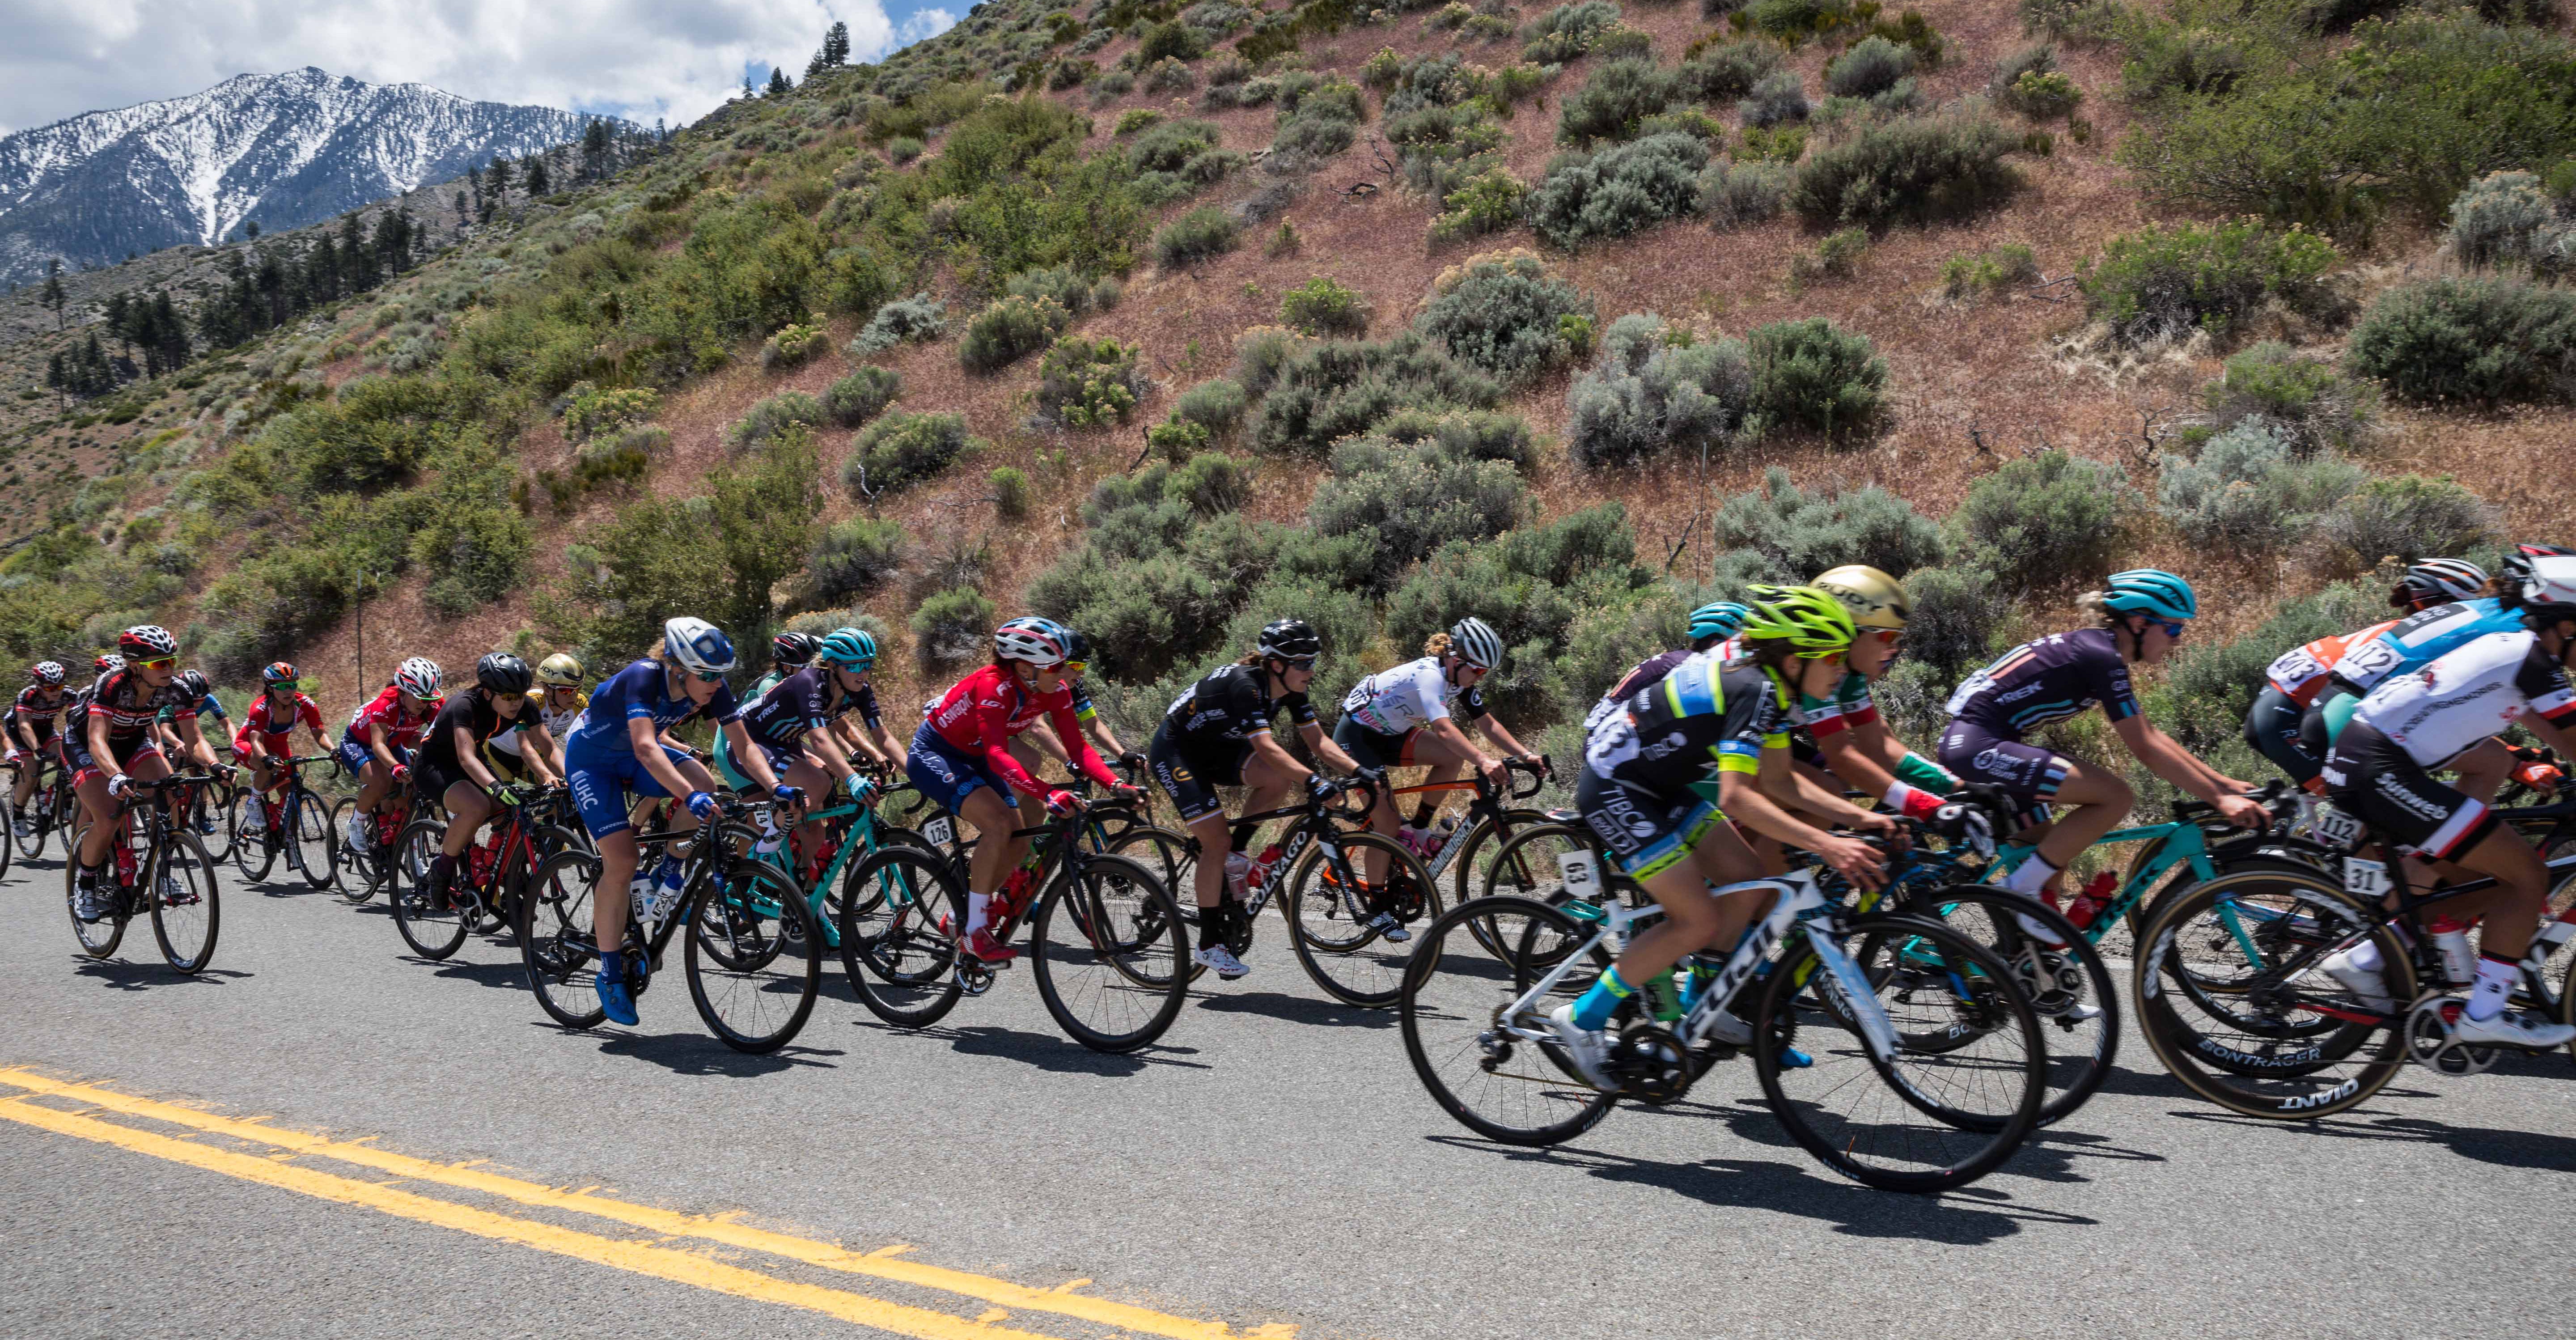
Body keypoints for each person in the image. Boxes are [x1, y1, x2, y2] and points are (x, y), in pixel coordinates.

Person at [1545, 587, 1900, 1082]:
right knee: (1697, 919)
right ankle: (1583, 1017)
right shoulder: (1753, 689)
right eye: (1834, 659)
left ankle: (1702, 1003)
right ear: (1797, 659)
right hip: (1615, 786)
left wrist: (1862, 819)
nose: (1842, 670)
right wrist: (1828, 842)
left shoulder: (1775, 691)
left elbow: (1780, 781)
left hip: (1661, 785)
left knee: (1750, 879)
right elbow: (1737, 797)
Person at [2316, 554, 2576, 1049]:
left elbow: (2563, 739)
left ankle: (2370, 955)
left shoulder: (2522, 655)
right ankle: (2483, 1013)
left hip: (2378, 761)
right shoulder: (2533, 662)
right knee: (2527, 875)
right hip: (2378, 767)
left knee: (2491, 882)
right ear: (2565, 626)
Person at [1937, 570, 2267, 906]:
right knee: (2115, 797)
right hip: (1978, 746)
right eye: (2174, 628)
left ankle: (2021, 948)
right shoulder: (2100, 656)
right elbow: (2145, 748)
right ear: (2140, 623)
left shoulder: (2100, 651)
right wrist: (2219, 800)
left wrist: (2221, 784)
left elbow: (2151, 734)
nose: (2178, 639)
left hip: (1982, 742)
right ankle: (2015, 891)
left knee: (2047, 862)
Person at [561, 617, 797, 1026]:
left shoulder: (711, 687)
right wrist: (689, 797)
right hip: (592, 761)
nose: (715, 684)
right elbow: (647, 747)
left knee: (704, 780)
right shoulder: (643, 676)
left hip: (633, 758)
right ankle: (610, 972)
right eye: (706, 675)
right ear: (677, 668)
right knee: (622, 861)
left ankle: (671, 867)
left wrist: (776, 786)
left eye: (720, 675)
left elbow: (742, 744)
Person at [907, 617, 1135, 965]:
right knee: (999, 824)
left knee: (1021, 838)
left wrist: (1116, 784)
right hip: (936, 753)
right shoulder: (993, 686)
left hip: (976, 754)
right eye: (1056, 667)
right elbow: (999, 755)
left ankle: (962, 917)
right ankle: (975, 932)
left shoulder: (1054, 690)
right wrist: (1047, 793)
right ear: (1026, 668)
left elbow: (1080, 750)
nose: (1063, 674)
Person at [1147, 619, 1364, 980]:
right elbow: (1265, 746)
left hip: (1219, 748)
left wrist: (1363, 773)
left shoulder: (1292, 688)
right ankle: (1209, 943)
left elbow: (1319, 742)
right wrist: (1314, 782)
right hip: (1177, 751)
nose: (1311, 670)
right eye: (1304, 663)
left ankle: (1237, 851)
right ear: (1276, 664)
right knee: (1215, 841)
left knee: (1276, 781)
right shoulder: (1246, 685)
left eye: (1314, 661)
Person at [2296, 549, 2560, 802]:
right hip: (2356, 711)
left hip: (2337, 703)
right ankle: (2458, 846)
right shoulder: (2517, 627)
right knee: (2492, 764)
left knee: (2383, 831)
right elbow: (2529, 698)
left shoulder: (2487, 610)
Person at [2244, 558, 2487, 791]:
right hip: (2289, 719)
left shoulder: (2400, 632)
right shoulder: (2421, 644)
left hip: (2284, 710)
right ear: (2442, 607)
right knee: (2372, 803)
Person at [1337, 617, 1547, 882]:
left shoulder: (1459, 678)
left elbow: (1487, 724)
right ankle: (1378, 910)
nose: (1479, 678)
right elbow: (1444, 730)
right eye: (1478, 671)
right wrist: (1483, 760)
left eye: (1485, 673)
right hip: (1356, 738)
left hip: (1390, 735)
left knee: (1450, 757)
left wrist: (1525, 755)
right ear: (1456, 659)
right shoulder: (1430, 676)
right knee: (1387, 826)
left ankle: (1420, 830)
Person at [67, 627, 231, 920]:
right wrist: (116, 776)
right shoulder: (112, 684)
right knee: (108, 816)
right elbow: (96, 741)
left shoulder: (177, 689)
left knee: (170, 790)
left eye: (172, 661)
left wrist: (215, 766)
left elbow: (194, 740)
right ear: (134, 666)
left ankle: (162, 869)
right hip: (86, 745)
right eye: (159, 663)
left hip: (132, 741)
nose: (169, 668)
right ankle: (86, 884)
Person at [1793, 566, 1965, 818]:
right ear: (1848, 633)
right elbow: (1841, 755)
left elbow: (1880, 745)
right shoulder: (1813, 668)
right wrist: (1924, 805)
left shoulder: (1850, 676)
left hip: (1771, 742)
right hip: (1727, 752)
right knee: (1827, 795)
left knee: (1836, 789)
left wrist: (1955, 786)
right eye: (1887, 636)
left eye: (1898, 638)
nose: (1894, 649)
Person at [724, 628, 887, 863]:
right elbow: (818, 740)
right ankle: (756, 859)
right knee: (762, 815)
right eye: (803, 665)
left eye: (867, 665)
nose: (810, 669)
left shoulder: (835, 687)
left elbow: (836, 729)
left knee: (815, 829)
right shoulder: (798, 684)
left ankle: (807, 894)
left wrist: (861, 754)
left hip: (784, 743)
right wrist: (843, 774)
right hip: (743, 743)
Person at [416, 653, 559, 907]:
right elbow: (465, 757)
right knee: (476, 807)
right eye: (508, 697)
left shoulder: (525, 705)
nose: (516, 703)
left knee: (515, 809)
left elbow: (549, 749)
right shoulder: (465, 705)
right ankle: (441, 873)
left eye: (520, 695)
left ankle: (498, 868)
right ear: (487, 693)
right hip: (436, 765)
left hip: (474, 761)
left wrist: (562, 776)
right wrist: (495, 787)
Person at [1580, 602, 1752, 736]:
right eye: (1737, 645)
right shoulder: (1690, 666)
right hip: (1612, 741)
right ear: (1717, 644)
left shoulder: (1679, 659)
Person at [338, 657, 445, 852]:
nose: (426, 704)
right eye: (420, 698)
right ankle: (357, 822)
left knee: (406, 796)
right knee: (382, 780)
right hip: (360, 743)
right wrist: (395, 766)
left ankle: (390, 832)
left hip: (396, 741)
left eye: (430, 698)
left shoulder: (431, 703)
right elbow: (378, 745)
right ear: (403, 692)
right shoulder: (386, 704)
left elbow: (443, 735)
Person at [1013, 628, 1142, 781]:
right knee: (1031, 761)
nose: (1081, 674)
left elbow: (1093, 724)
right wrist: (1069, 762)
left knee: (1038, 805)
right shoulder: (1038, 681)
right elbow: (1038, 727)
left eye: (1083, 667)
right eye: (1076, 667)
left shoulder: (1074, 685)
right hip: (995, 735)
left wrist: (1123, 754)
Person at [233, 662, 330, 837]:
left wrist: (333, 750)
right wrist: (265, 758)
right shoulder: (260, 708)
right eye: (282, 686)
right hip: (248, 744)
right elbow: (256, 740)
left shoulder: (305, 704)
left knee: (290, 798)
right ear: (270, 688)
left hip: (280, 747)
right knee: (267, 763)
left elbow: (319, 733)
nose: (289, 691)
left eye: (293, 686)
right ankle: (254, 802)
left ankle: (288, 843)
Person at [9, 661, 72, 834]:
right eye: (50, 689)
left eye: (59, 687)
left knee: (69, 761)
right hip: (19, 734)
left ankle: (66, 801)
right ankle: (18, 814)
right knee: (31, 772)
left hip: (46, 731)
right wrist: (38, 751)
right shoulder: (28, 696)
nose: (57, 692)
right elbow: (24, 726)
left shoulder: (68, 694)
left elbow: (80, 720)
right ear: (38, 686)